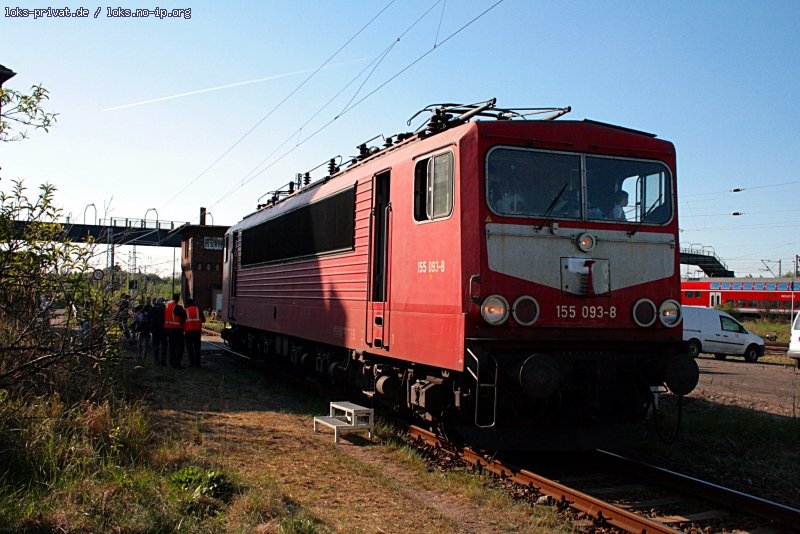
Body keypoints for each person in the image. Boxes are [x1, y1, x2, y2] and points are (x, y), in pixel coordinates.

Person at [164, 293, 187, 369]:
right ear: (178, 299)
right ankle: (177, 364)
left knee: (172, 347)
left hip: (168, 329)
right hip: (177, 329)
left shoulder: (167, 305)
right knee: (180, 347)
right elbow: (184, 317)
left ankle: (172, 362)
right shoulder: (177, 307)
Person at [183, 298, 206, 367]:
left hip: (188, 331)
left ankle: (191, 363)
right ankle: (198, 364)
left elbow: (182, 321)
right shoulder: (198, 309)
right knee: (197, 348)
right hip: (197, 331)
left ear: (187, 304)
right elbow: (204, 320)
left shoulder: (185, 311)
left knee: (190, 348)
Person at [148, 297, 167, 366]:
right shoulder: (165, 309)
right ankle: (163, 361)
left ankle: (156, 361)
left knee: (156, 346)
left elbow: (148, 319)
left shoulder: (152, 309)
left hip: (155, 330)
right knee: (164, 346)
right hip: (163, 330)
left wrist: (151, 327)